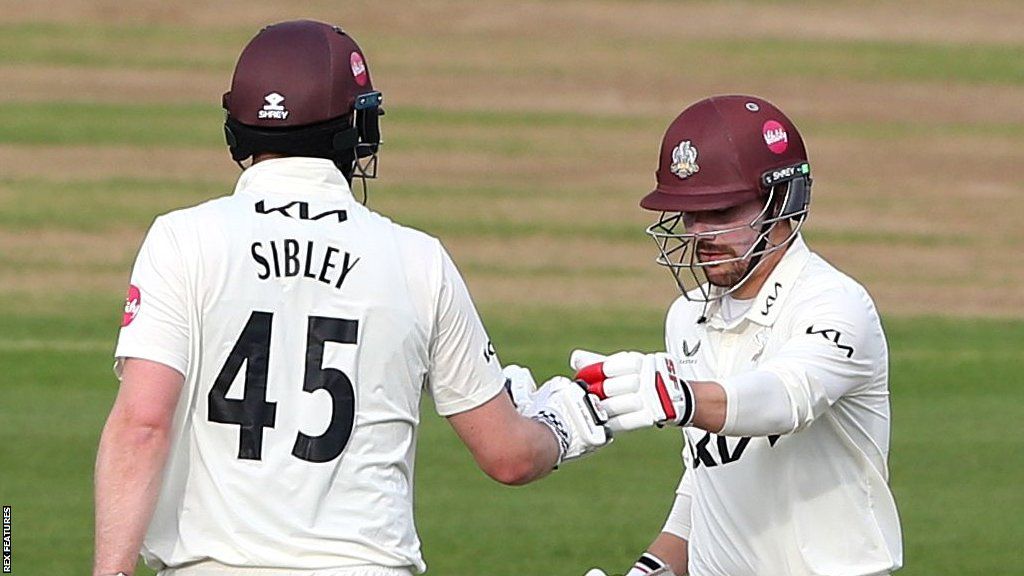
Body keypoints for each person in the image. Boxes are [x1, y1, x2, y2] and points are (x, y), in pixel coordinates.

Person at [93, 20, 609, 576]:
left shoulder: (183, 239)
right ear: (357, 127)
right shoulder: (417, 260)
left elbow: (143, 424)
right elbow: (509, 455)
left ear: (235, 127)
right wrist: (572, 419)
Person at [575, 95, 902, 576]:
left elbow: (786, 400)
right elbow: (706, 477)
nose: (700, 233)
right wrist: (652, 570)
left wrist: (681, 399)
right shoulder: (686, 318)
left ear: (783, 202)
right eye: (689, 213)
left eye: (722, 211)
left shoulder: (836, 304)